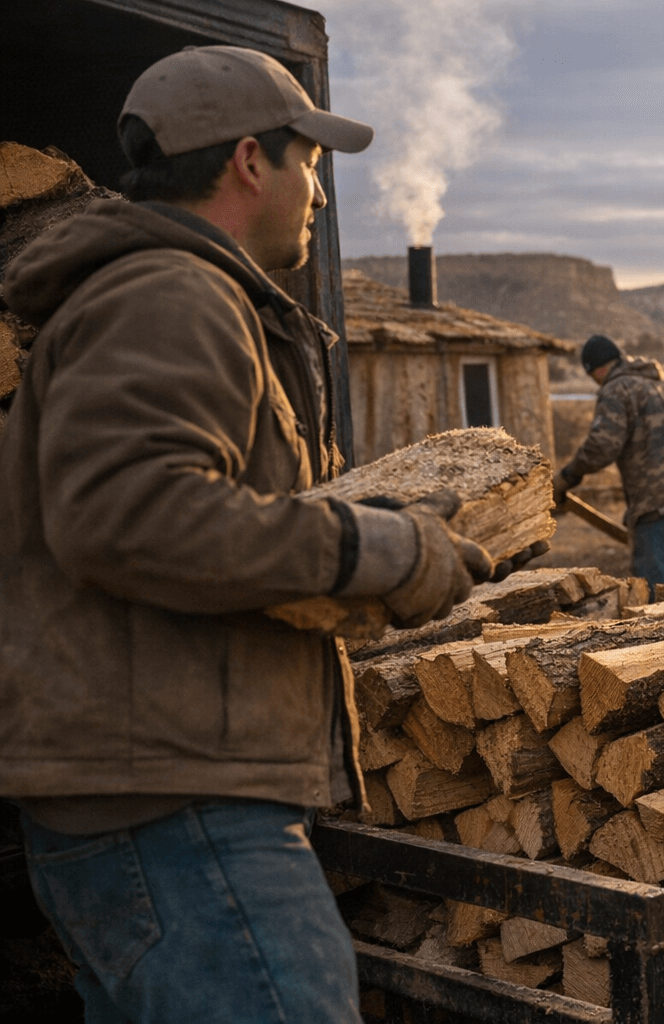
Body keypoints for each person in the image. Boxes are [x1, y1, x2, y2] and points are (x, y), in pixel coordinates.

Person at [0, 46, 496, 1023]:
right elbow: (128, 516)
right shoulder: (167, 293)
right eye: (309, 161)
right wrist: (376, 550)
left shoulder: (163, 294)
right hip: (177, 807)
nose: (318, 191)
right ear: (248, 162)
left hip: (152, 791)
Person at [553, 334, 664, 588]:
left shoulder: (616, 389)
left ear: (597, 371)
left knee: (654, 597)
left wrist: (567, 476)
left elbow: (602, 446)